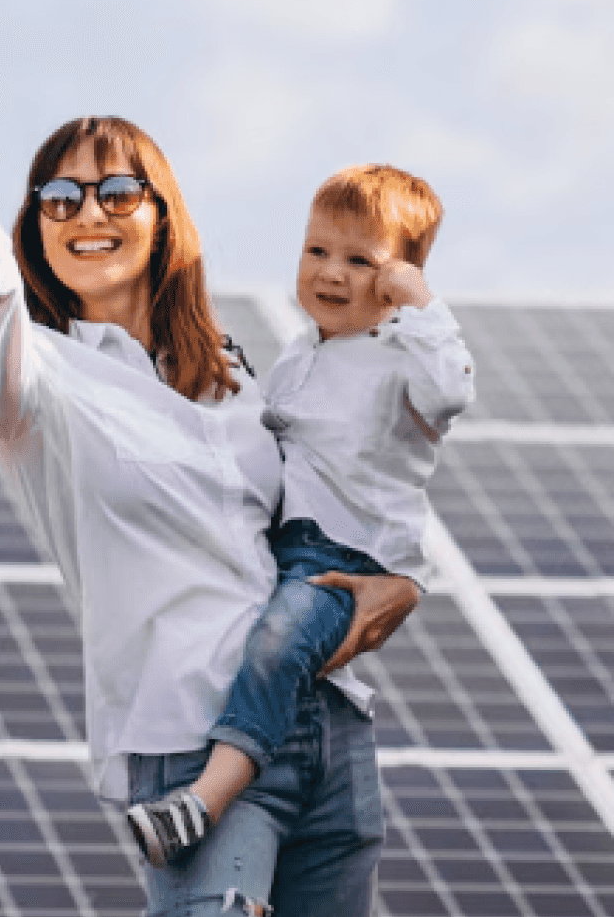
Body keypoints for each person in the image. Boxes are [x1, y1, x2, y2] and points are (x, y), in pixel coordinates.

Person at [0, 91, 421, 916]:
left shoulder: (236, 378)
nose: (88, 213)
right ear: (36, 227)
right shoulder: (34, 381)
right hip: (188, 735)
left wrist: (398, 583)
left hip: (323, 722)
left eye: (116, 192)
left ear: (161, 215)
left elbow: (331, 509)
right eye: (59, 198)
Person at [126, 165, 475, 869]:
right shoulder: (299, 354)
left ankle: (202, 802)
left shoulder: (406, 357)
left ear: (398, 277)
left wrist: (421, 305)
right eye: (317, 251)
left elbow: (449, 395)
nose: (331, 273)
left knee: (276, 645)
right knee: (239, 638)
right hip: (285, 547)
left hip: (347, 561)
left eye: (360, 261)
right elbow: (262, 438)